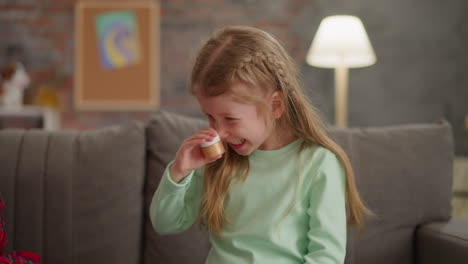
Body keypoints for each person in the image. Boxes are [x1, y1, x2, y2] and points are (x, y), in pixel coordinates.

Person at [150, 25, 371, 264]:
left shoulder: (319, 163)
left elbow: (326, 256)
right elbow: (166, 223)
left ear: (275, 106)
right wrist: (179, 172)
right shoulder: (216, 160)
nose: (218, 132)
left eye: (230, 119)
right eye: (209, 116)